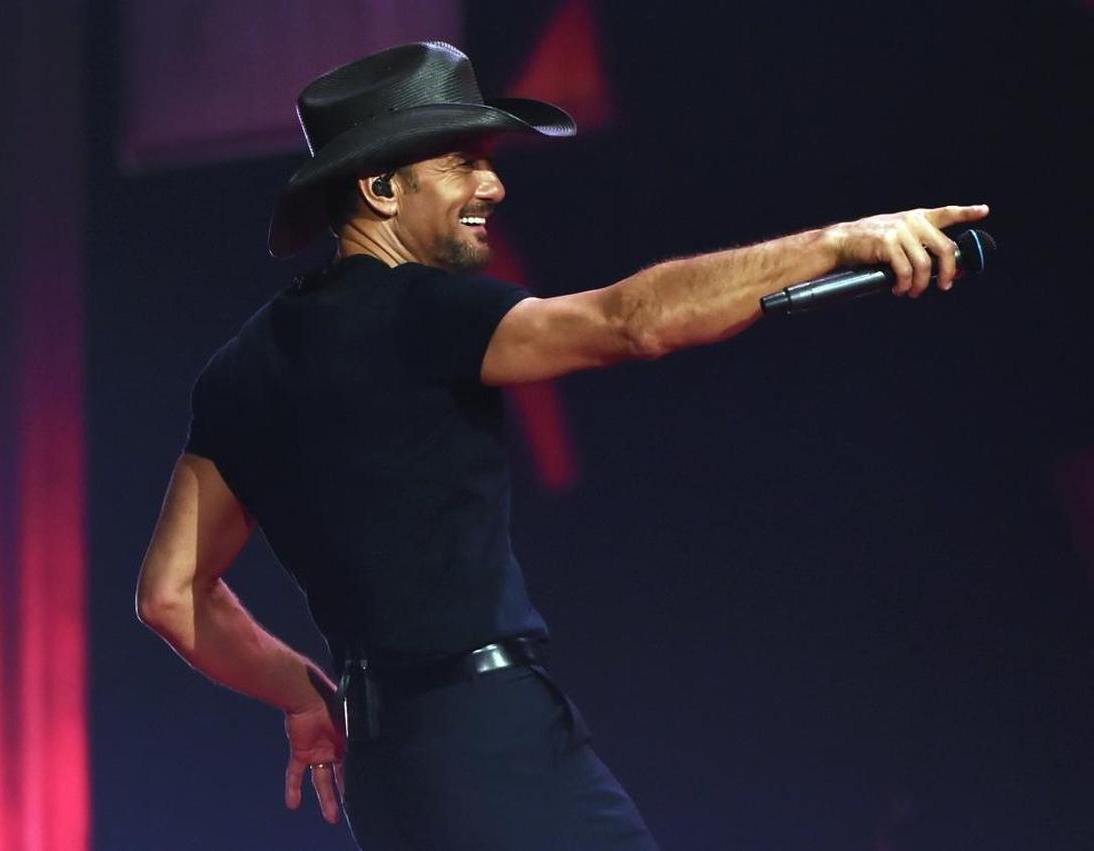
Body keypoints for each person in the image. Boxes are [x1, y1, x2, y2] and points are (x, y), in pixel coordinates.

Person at [135, 41, 989, 850]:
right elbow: (632, 322)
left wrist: (302, 690)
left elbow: (172, 595)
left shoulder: (240, 369)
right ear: (383, 189)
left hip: (386, 776)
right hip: (490, 744)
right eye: (462, 162)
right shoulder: (425, 312)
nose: (492, 186)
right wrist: (839, 242)